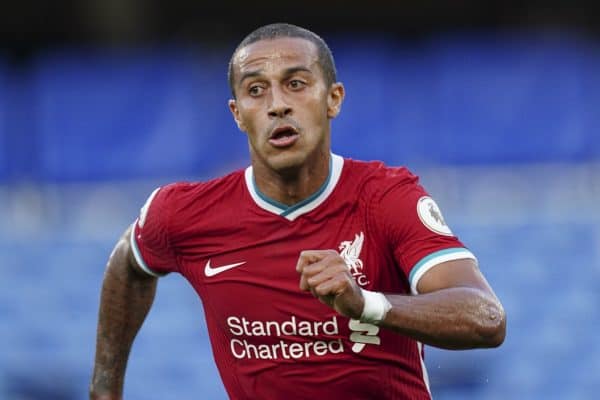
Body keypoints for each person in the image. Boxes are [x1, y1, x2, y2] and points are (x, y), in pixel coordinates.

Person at [89, 23, 506, 400]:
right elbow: (129, 265)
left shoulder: (385, 197)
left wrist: (367, 305)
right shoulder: (182, 214)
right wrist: (105, 390)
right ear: (238, 114)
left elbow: (487, 318)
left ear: (333, 99)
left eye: (296, 84)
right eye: (256, 90)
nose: (277, 105)